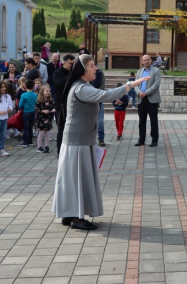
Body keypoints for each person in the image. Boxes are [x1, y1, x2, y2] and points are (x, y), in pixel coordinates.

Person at [52, 54, 149, 230]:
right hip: (78, 142)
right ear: (83, 70)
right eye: (92, 66)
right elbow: (106, 95)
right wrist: (132, 84)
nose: (95, 69)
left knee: (72, 179)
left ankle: (69, 213)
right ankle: (76, 217)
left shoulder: (81, 86)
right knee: (78, 179)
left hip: (79, 140)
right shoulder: (81, 88)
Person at [134, 54, 161, 147]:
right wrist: (139, 92)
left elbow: (156, 85)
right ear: (142, 61)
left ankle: (154, 140)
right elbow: (135, 84)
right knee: (142, 121)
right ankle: (141, 139)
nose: (146, 61)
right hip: (141, 99)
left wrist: (146, 92)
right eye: (144, 60)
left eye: (148, 60)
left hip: (152, 99)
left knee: (153, 121)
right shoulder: (139, 72)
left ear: (151, 60)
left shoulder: (156, 71)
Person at [53, 54, 75, 156]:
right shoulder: (58, 72)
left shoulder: (73, 72)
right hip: (61, 105)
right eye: (71, 63)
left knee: (72, 128)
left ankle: (70, 150)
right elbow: (60, 83)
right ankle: (60, 151)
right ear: (64, 62)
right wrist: (71, 75)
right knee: (62, 128)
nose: (72, 65)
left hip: (72, 104)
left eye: (73, 63)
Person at [35, 85, 55, 154]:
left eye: (49, 91)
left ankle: (47, 146)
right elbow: (36, 109)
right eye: (46, 91)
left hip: (48, 118)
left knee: (47, 133)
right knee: (41, 132)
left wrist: (53, 109)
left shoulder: (50, 100)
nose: (48, 92)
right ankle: (39, 147)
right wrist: (43, 111)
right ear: (42, 92)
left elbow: (53, 107)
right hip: (41, 118)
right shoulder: (39, 100)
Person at [19, 79, 37, 148]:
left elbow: (20, 105)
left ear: (25, 86)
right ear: (33, 86)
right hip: (33, 111)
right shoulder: (35, 94)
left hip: (26, 112)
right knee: (30, 126)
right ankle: (30, 141)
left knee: (25, 127)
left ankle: (25, 142)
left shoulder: (24, 95)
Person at [90, 68, 106, 146]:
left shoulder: (100, 73)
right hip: (89, 100)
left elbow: (103, 84)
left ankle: (101, 139)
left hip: (99, 99)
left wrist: (96, 93)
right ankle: (90, 140)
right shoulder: (86, 72)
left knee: (100, 122)